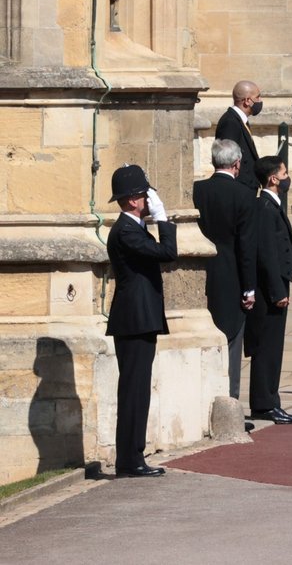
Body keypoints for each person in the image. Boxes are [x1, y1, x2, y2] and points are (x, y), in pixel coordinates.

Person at [105, 165, 177, 477]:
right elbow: (168, 253)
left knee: (137, 389)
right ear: (135, 200)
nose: (150, 200)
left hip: (140, 319)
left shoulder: (132, 228)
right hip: (134, 320)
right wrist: (163, 220)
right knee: (134, 390)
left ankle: (133, 455)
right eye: (147, 195)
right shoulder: (126, 232)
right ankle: (130, 460)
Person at [192, 139, 258, 400]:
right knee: (231, 341)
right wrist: (249, 288)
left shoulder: (197, 190)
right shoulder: (244, 195)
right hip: (231, 276)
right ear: (237, 164)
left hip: (202, 271)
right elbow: (247, 246)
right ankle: (229, 403)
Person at [245, 156, 292, 425]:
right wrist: (278, 291)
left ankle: (270, 399)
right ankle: (265, 403)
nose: (288, 177)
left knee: (273, 346)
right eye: (284, 172)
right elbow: (266, 253)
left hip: (276, 285)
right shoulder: (265, 208)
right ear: (273, 179)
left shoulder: (270, 205)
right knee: (268, 346)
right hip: (271, 291)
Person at [215, 80, 263, 193]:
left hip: (247, 186)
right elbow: (228, 159)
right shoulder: (230, 122)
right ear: (247, 101)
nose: (260, 101)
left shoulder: (239, 120)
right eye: (257, 97)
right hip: (240, 188)